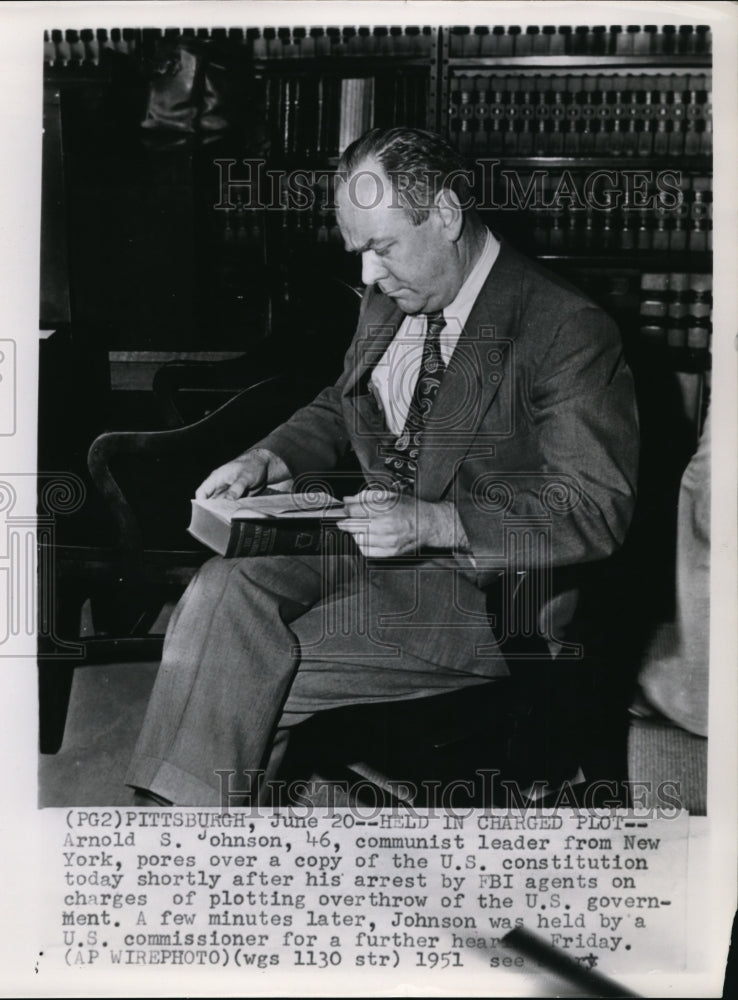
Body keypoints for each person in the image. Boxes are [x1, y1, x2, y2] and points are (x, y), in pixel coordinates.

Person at [125, 127, 639, 807]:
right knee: (223, 588)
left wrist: (431, 522)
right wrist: (267, 456)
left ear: (448, 215)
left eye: (382, 247)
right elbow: (343, 405)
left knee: (232, 673)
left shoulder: (565, 328)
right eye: (359, 252)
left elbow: (594, 509)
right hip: (365, 543)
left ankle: (184, 858)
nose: (368, 276)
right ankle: (199, 850)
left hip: (487, 593)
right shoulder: (392, 295)